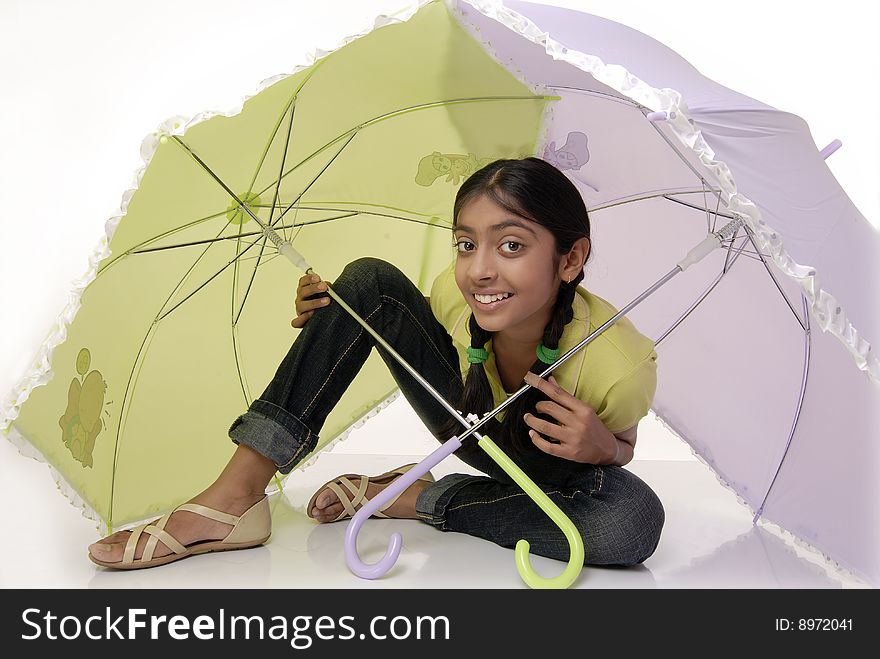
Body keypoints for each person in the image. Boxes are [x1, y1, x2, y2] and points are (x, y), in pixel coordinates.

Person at [87, 156, 665, 571]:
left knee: (630, 521)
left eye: (511, 245)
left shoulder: (620, 363)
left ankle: (421, 497)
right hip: (464, 422)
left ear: (572, 258)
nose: (480, 271)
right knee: (369, 285)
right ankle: (235, 500)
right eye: (467, 244)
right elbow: (410, 339)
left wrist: (604, 447)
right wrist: (338, 315)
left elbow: (624, 446)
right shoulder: (453, 293)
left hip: (550, 469)